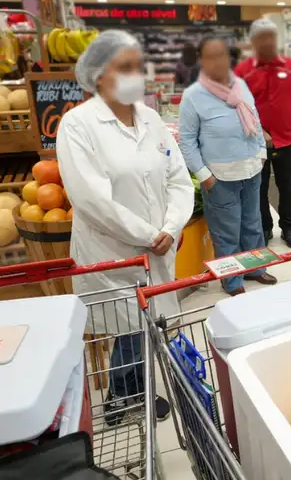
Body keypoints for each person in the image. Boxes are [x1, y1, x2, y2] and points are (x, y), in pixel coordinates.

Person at [57, 30, 194, 423]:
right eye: (125, 67)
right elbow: (91, 198)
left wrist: (171, 224)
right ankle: (121, 395)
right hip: (112, 251)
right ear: (98, 75)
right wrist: (150, 235)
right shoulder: (78, 124)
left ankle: (134, 389)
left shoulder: (150, 119)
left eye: (138, 67)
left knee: (147, 324)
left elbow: (178, 180)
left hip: (159, 245)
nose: (137, 75)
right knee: (131, 328)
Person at [178, 37, 277, 296]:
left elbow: (253, 118)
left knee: (252, 224)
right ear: (201, 61)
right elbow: (187, 140)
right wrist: (204, 175)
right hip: (219, 177)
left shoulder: (240, 85)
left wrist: (261, 154)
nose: (218, 61)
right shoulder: (193, 96)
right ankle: (232, 280)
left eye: (221, 55)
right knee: (226, 232)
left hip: (251, 170)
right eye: (211, 56)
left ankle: (256, 268)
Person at [235, 19, 291, 248]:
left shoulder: (290, 66)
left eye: (271, 37)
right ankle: (265, 227)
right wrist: (259, 131)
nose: (268, 42)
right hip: (254, 142)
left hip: (286, 139)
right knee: (257, 188)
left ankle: (288, 227)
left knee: (287, 186)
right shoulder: (242, 71)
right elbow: (237, 105)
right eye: (262, 38)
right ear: (254, 42)